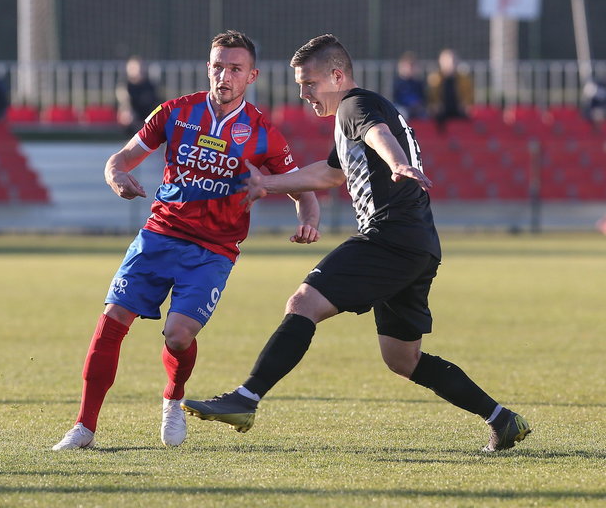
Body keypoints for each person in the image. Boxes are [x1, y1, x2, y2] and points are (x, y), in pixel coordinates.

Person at [182, 34, 531, 453]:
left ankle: (246, 398)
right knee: (402, 359)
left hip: (389, 237)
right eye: (300, 85)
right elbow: (331, 174)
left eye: (309, 83)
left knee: (302, 304)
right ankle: (502, 420)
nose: (304, 93)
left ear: (336, 75)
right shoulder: (354, 113)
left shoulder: (354, 106)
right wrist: (267, 183)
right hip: (418, 244)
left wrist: (397, 161)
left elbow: (378, 133)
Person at [52, 30, 321, 450]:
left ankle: (173, 400)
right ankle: (84, 427)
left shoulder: (263, 132)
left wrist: (309, 219)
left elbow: (302, 188)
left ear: (252, 75)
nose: (224, 76)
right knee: (111, 322)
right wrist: (118, 177)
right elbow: (120, 160)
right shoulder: (176, 112)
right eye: (218, 66)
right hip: (159, 234)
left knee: (179, 336)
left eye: (235, 69)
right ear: (207, 68)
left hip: (213, 250)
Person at [426, 48, 473, 129]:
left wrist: (465, 105)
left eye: (453, 60)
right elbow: (431, 97)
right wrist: (434, 105)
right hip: (442, 109)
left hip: (457, 108)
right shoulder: (435, 78)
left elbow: (469, 97)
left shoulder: (464, 79)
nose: (451, 63)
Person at [116, 56, 161, 135]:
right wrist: (127, 112)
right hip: (132, 119)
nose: (138, 70)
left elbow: (156, 103)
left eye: (140, 67)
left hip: (148, 118)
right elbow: (125, 102)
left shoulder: (150, 85)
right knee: (128, 116)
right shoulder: (124, 86)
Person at [392, 51, 426, 120]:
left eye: (412, 66)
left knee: (424, 115)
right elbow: (394, 99)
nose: (410, 69)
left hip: (416, 108)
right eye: (407, 66)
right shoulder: (397, 83)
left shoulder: (418, 83)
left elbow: (423, 98)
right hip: (402, 108)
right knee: (403, 114)